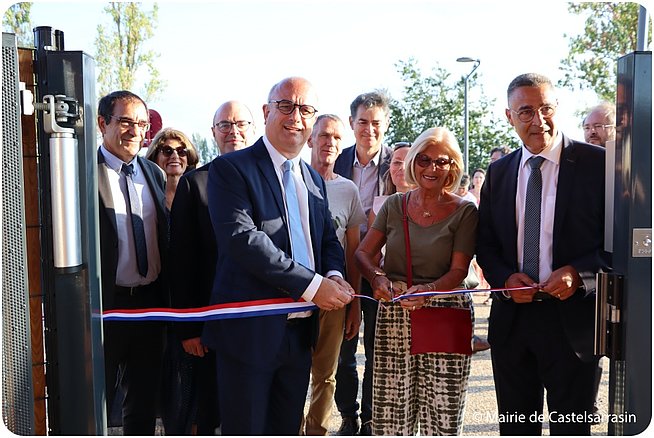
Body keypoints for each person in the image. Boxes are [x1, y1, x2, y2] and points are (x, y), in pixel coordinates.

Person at [201, 77, 353, 435]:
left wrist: (332, 275)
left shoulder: (314, 180)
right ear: (267, 111)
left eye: (305, 110)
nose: (295, 117)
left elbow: (328, 239)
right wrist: (313, 285)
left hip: (299, 335)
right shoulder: (231, 169)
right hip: (249, 336)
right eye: (286, 106)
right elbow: (243, 240)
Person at [477, 73, 610, 435]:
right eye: (526, 111)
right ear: (509, 117)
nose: (539, 120)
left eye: (546, 108)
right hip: (513, 323)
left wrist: (578, 274)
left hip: (574, 325)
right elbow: (485, 243)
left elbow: (619, 246)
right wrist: (504, 278)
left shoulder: (599, 165)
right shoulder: (499, 173)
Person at [356, 127, 477, 435]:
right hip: (396, 313)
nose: (432, 168)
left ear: (453, 166)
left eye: (442, 161)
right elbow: (363, 254)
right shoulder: (395, 205)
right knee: (392, 415)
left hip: (446, 311)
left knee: (443, 415)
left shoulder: (465, 210)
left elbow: (458, 271)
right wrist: (377, 278)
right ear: (413, 161)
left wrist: (427, 290)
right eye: (424, 159)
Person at [166, 101, 256, 435]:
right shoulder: (195, 183)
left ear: (253, 128)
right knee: (210, 412)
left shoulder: (270, 180)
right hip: (211, 325)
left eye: (240, 124)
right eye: (225, 125)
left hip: (260, 322)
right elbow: (181, 260)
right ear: (214, 132)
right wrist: (189, 327)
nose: (234, 131)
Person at [97, 90, 168, 435]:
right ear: (102, 123)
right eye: (125, 121)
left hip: (150, 306)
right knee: (98, 398)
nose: (134, 131)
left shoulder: (153, 173)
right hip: (106, 307)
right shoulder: (84, 175)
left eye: (141, 123)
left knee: (142, 401)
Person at [333, 90, 392, 436]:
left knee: (377, 350)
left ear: (385, 125)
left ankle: (371, 418)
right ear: (352, 123)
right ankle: (348, 415)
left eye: (376, 123)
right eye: (362, 122)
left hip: (384, 271)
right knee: (344, 349)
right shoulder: (336, 162)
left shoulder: (398, 163)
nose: (369, 129)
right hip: (344, 267)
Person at [303, 114, 367, 436]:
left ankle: (316, 431)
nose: (330, 142)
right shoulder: (292, 181)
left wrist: (353, 304)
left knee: (327, 373)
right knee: (294, 371)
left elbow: (352, 253)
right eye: (324, 135)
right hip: (294, 293)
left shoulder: (348, 190)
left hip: (335, 297)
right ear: (311, 139)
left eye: (337, 138)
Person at [145, 128, 199, 210]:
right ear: (155, 157)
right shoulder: (146, 194)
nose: (175, 156)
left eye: (181, 151)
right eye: (167, 151)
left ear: (188, 158)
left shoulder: (199, 195)